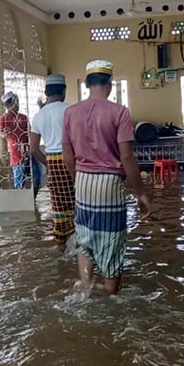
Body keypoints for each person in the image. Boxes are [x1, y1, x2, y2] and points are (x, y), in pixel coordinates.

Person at [62, 60, 151, 295]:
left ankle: (85, 288)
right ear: (109, 84)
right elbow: (127, 157)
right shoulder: (119, 112)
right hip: (110, 183)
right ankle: (111, 296)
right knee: (111, 238)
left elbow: (67, 155)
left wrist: (77, 178)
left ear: (88, 84)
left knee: (85, 237)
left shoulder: (70, 113)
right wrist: (140, 193)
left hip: (82, 181)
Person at [30, 74, 74, 246]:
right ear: (63, 91)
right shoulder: (71, 110)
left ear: (46, 93)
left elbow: (33, 149)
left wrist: (50, 163)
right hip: (74, 158)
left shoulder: (39, 116)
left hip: (53, 162)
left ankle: (61, 242)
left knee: (58, 203)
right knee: (77, 199)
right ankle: (78, 242)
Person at [0, 92, 41, 194]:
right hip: (16, 153)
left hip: (29, 150)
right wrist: (5, 133)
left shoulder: (23, 117)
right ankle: (19, 199)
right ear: (11, 103)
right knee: (19, 179)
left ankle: (31, 199)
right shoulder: (3, 119)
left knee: (36, 177)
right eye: (16, 102)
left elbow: (30, 132)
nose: (18, 104)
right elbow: (1, 133)